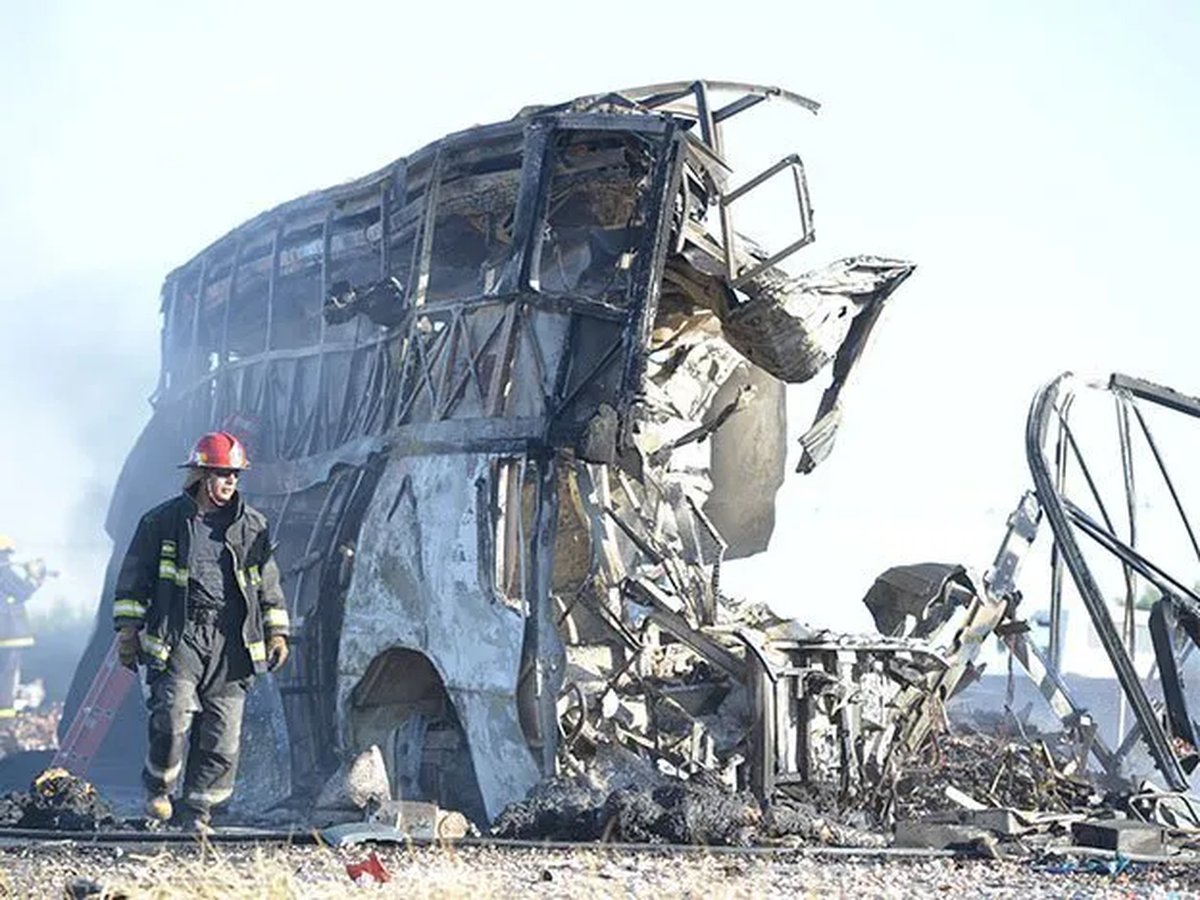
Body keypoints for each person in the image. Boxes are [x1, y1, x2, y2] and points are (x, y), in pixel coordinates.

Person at [112, 431, 291, 831]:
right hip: (180, 636)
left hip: (232, 643)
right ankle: (159, 789)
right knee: (172, 717)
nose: (230, 482)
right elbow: (133, 583)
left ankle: (198, 814)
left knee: (222, 736)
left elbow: (269, 586)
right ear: (199, 474)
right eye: (223, 474)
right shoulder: (161, 522)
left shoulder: (253, 528)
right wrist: (128, 631)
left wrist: (277, 633)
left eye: (235, 476)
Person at [0, 536, 41, 719]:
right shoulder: (5, 572)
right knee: (8, 674)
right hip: (9, 633)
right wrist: (34, 576)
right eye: (6, 554)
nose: (9, 559)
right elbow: (24, 591)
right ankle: (5, 715)